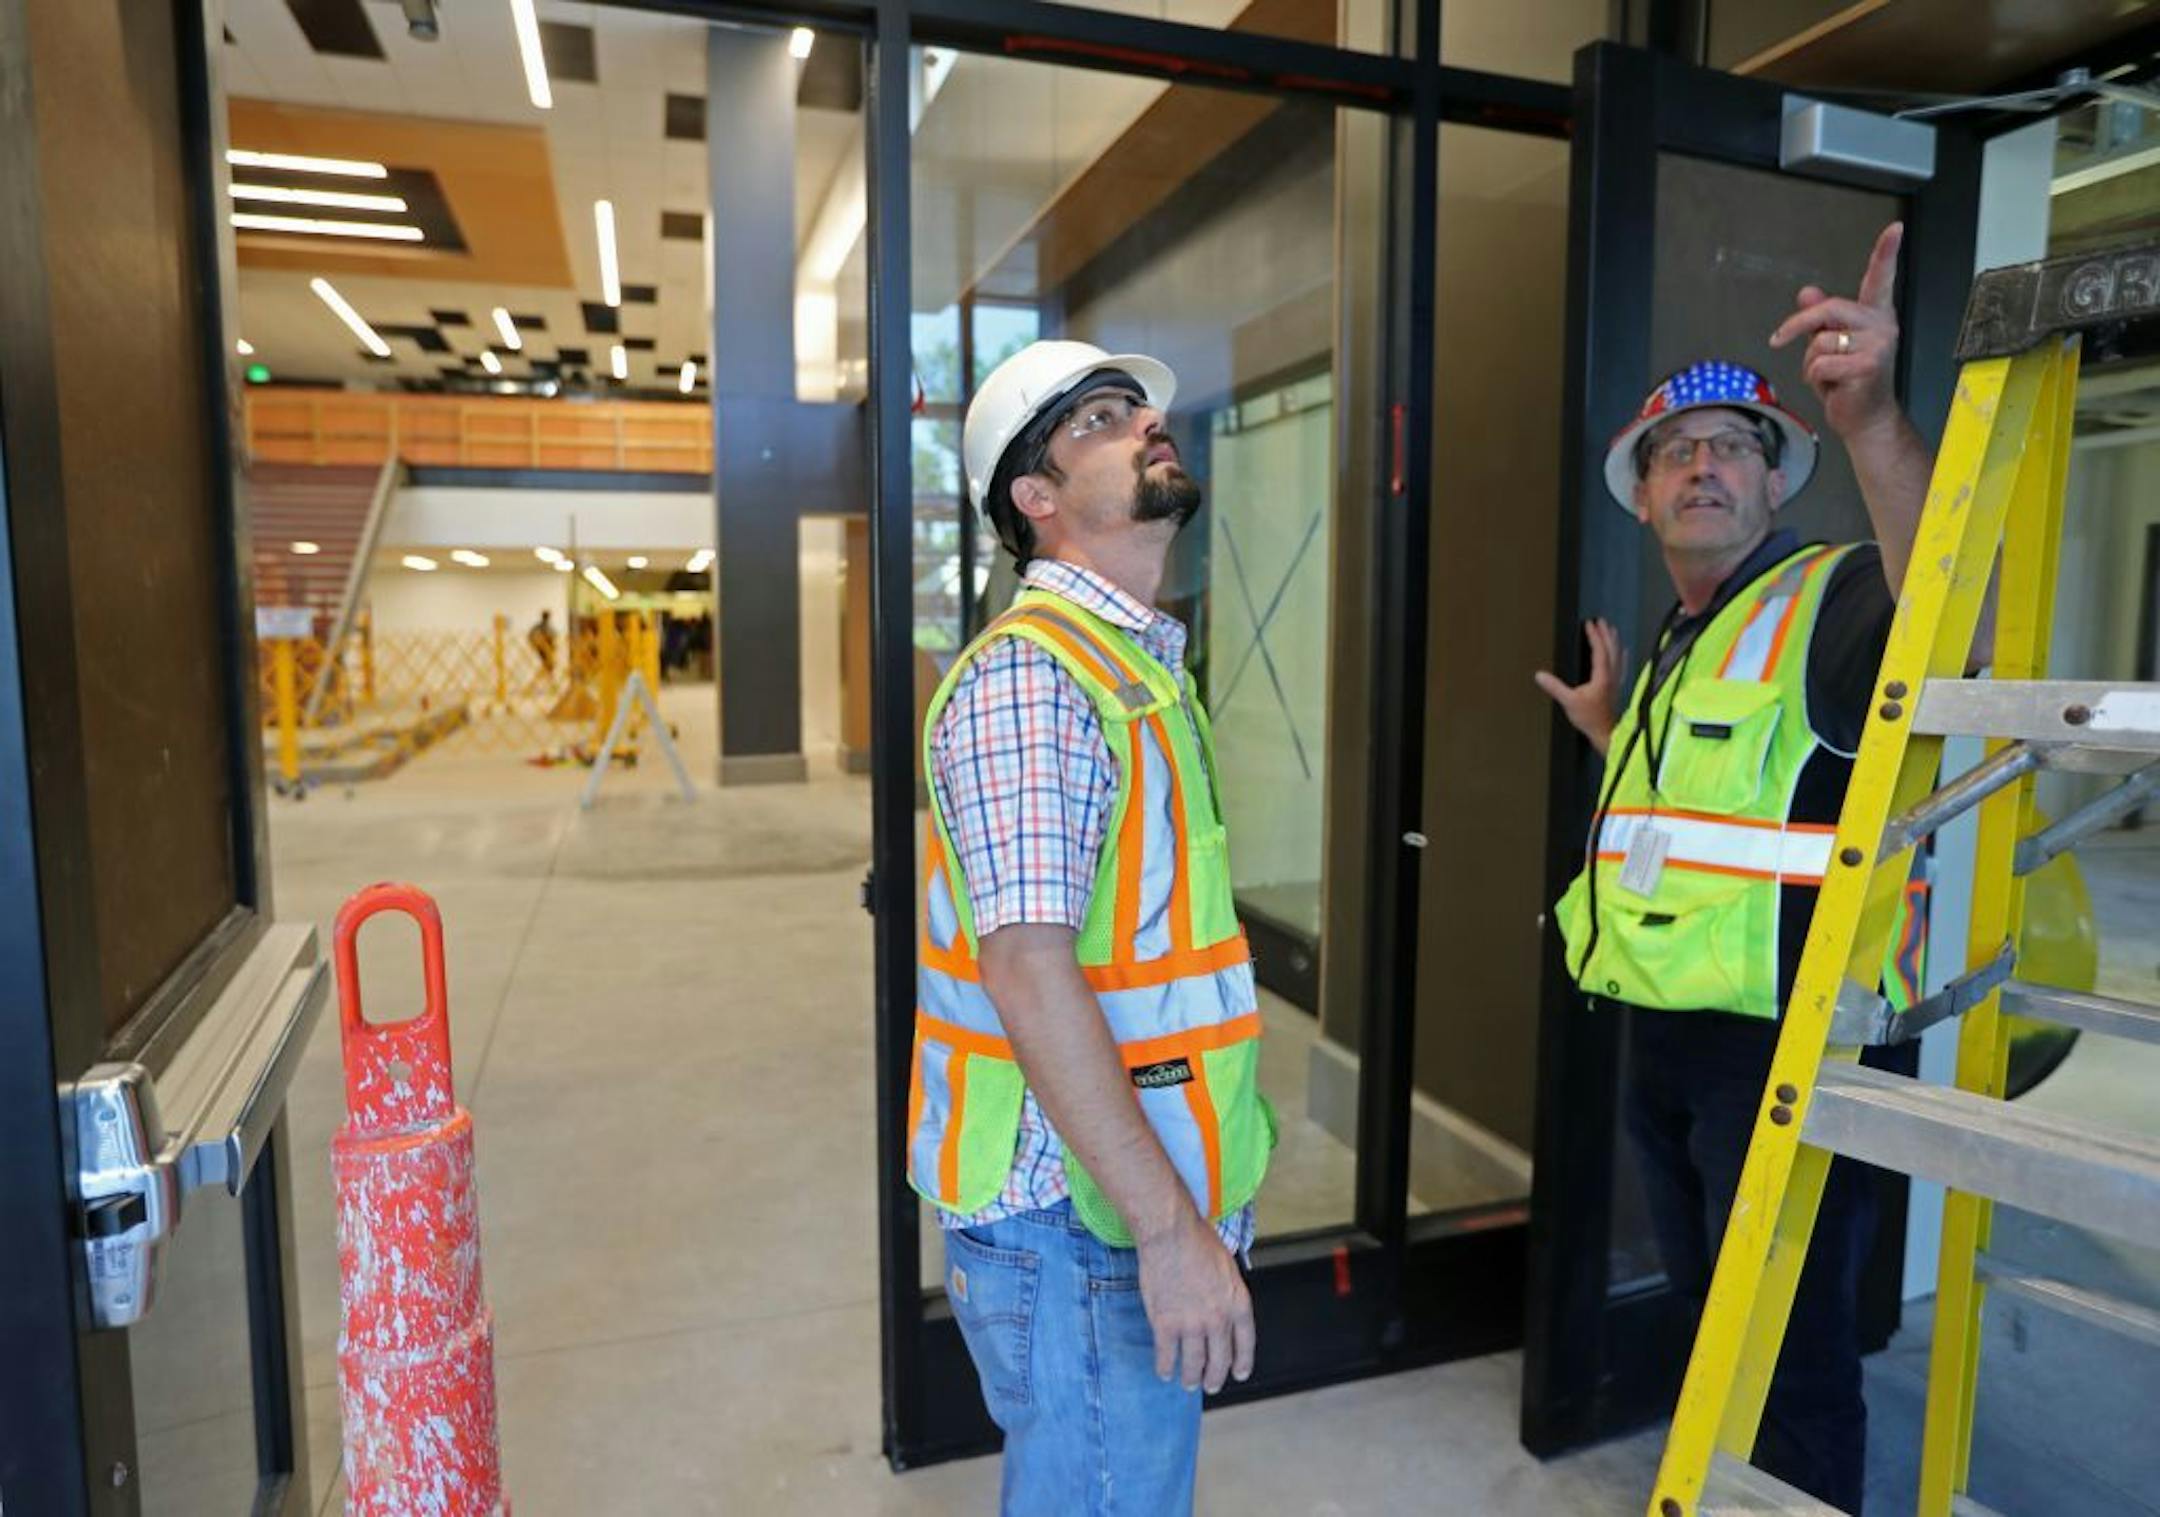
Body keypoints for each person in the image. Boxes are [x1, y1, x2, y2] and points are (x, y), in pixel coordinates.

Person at [1538, 223, 1940, 1512]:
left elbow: (1958, 624)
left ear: (1777, 486)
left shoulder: (1831, 601)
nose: (1704, 466)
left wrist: (1872, 415)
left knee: (1796, 1348)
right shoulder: (1679, 636)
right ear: (1644, 494)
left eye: (1734, 449)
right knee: (1724, 1319)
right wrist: (1614, 735)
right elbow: (1716, 813)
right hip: (1668, 1031)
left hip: (1788, 1042)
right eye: (1677, 453)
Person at [910, 339, 1272, 1514]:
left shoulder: (1133, 668)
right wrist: (1169, 1236)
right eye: (1101, 418)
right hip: (1079, 1229)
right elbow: (1028, 972)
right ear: (1038, 498)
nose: (1146, 423)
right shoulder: (1037, 681)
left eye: (1141, 409)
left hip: (1112, 1207)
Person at [526, 608, 557, 677]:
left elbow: (530, 634)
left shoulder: (546, 626)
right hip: (544, 646)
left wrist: (533, 643)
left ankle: (548, 674)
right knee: (547, 661)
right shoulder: (543, 626)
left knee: (548, 662)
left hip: (547, 646)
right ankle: (548, 674)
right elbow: (530, 634)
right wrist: (534, 643)